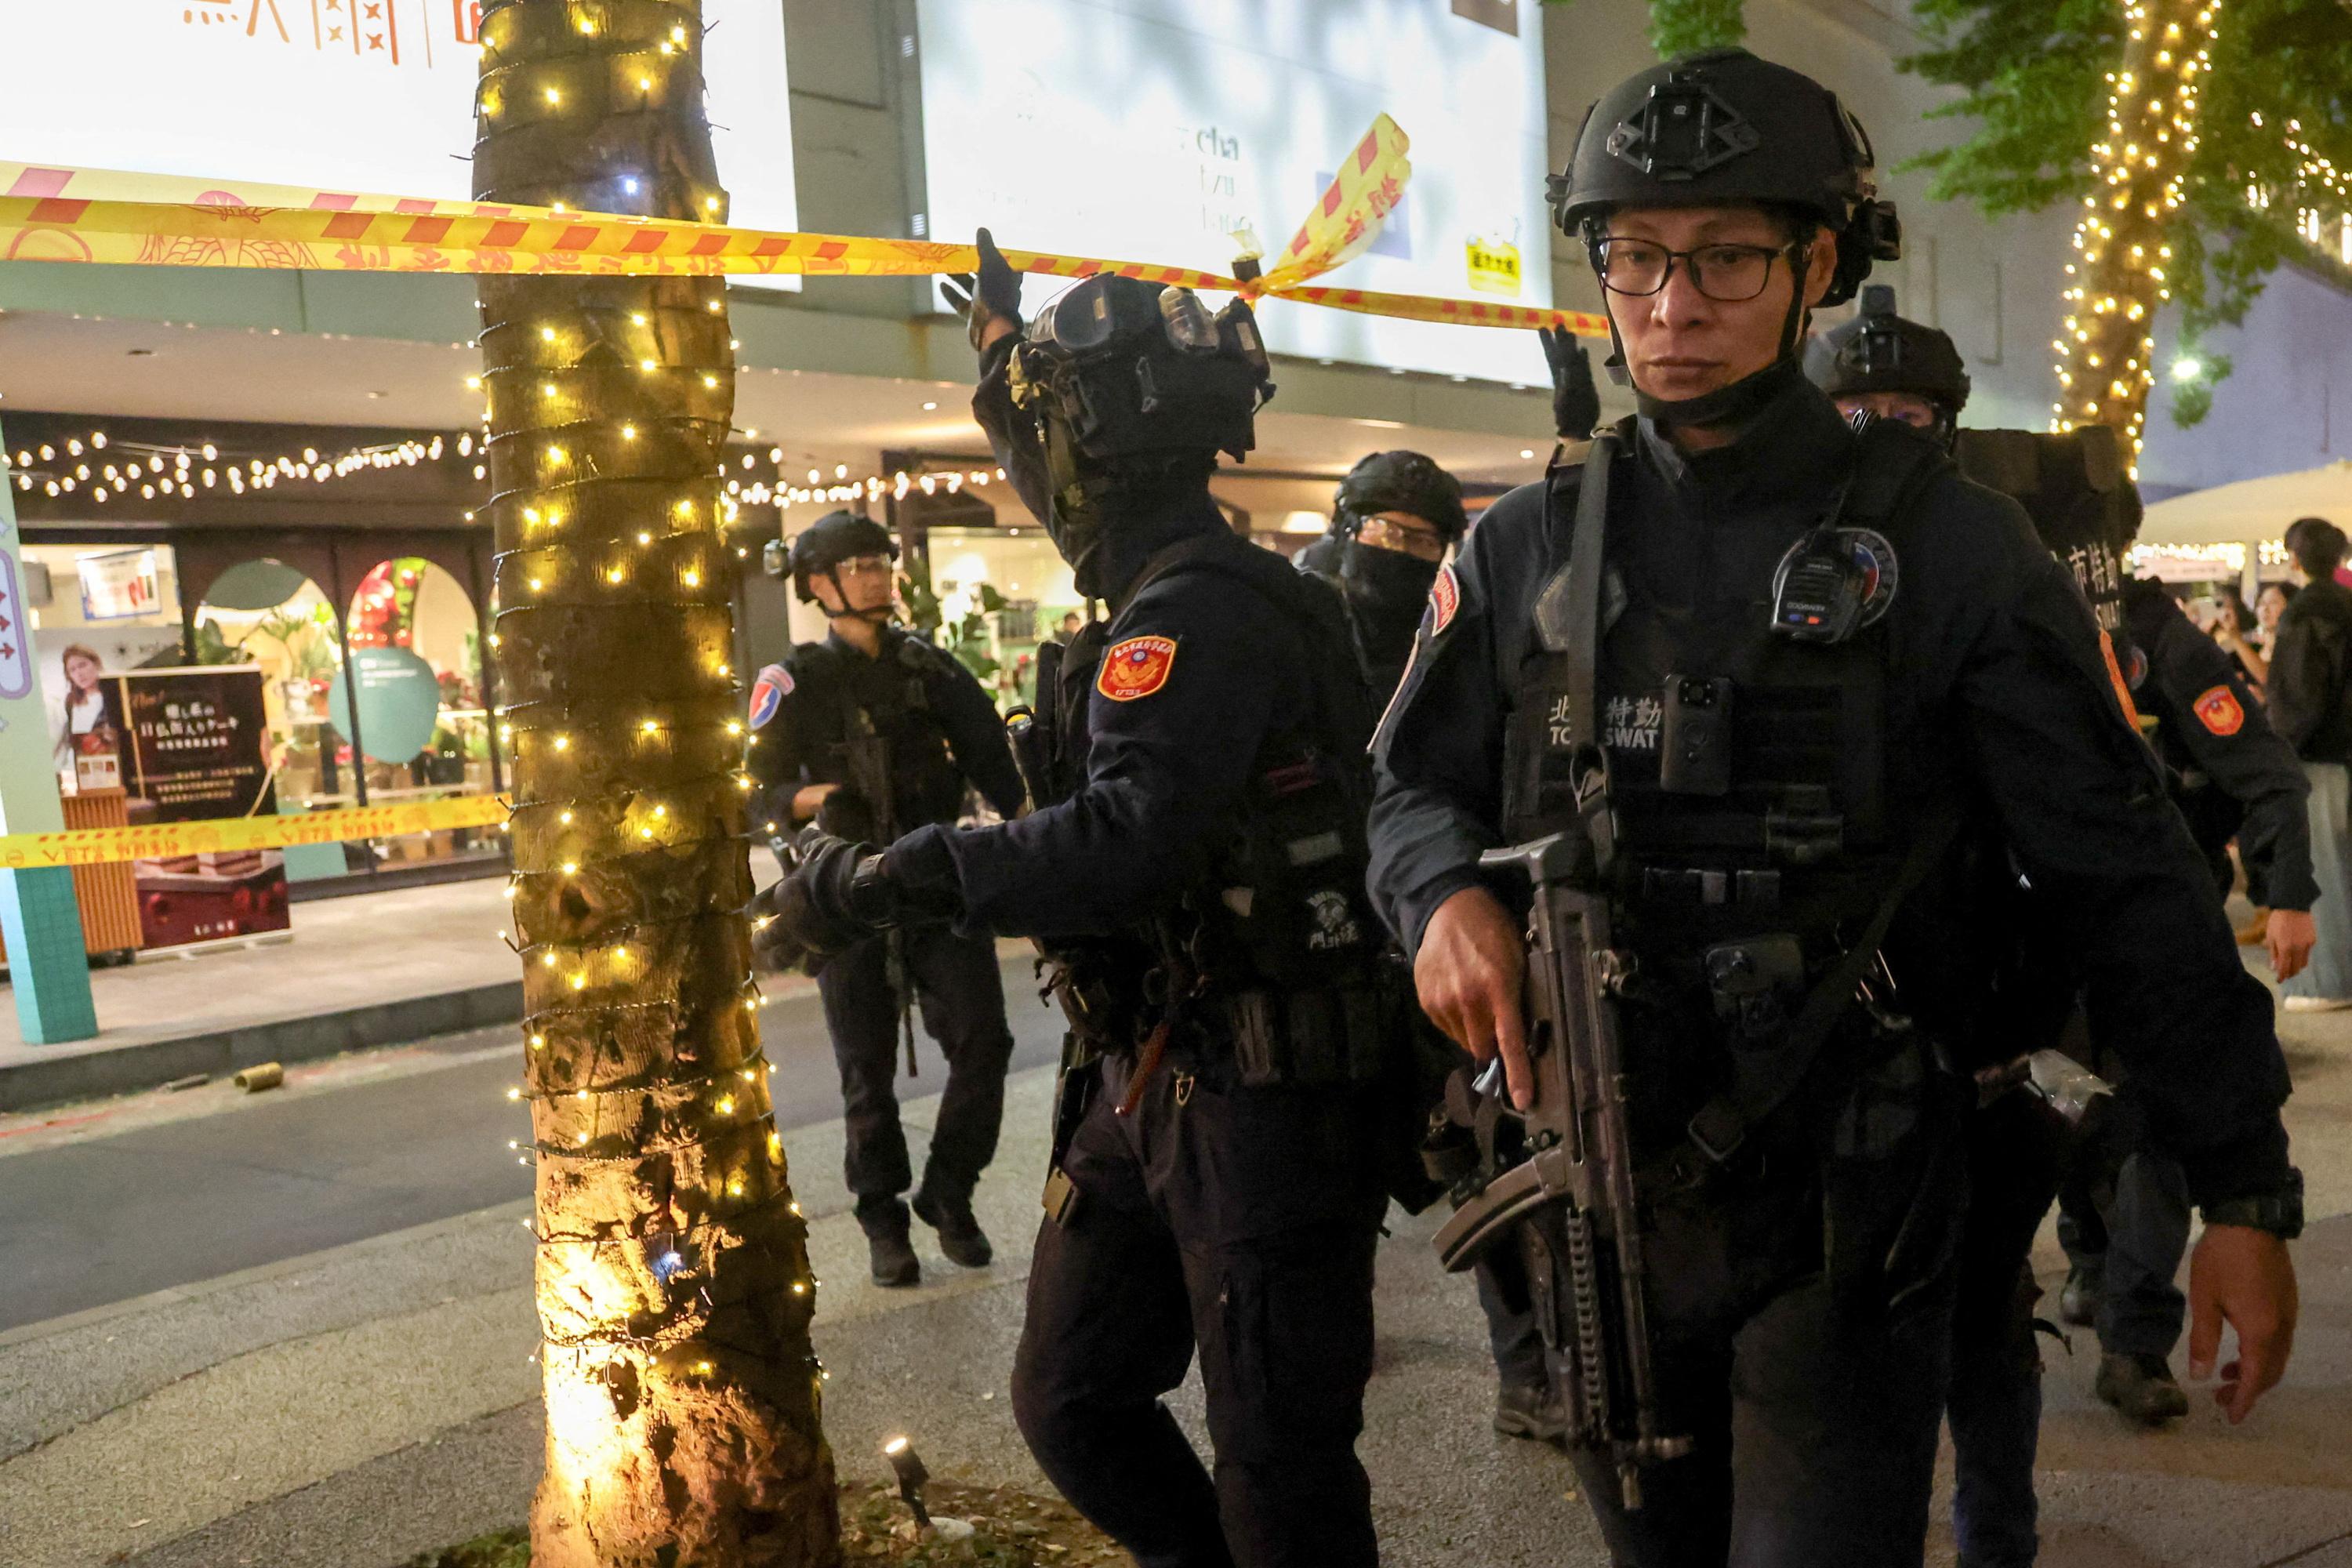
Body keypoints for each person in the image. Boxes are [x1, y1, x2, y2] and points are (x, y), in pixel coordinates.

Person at [1371, 47, 2302, 1566]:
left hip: (1852, 1198)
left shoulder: (1953, 549)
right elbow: (1408, 784)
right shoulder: (1523, 544)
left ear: (1818, 264)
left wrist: (2242, 1186)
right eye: (1633, 257)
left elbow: (2125, 873)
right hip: (1603, 1182)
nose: (1672, 306)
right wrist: (1440, 897)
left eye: (1725, 259)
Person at [764, 234, 1396, 1567]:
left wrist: (891, 877)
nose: (1032, 474)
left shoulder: (1198, 616)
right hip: (1147, 1079)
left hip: (1263, 1096)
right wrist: (1006, 359)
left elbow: (1126, 841)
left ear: (1099, 456)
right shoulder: (1165, 585)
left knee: (1280, 1470)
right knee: (1072, 1398)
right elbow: (1071, 476)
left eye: (1046, 439)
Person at [747, 510, 1026, 1287]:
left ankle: (950, 1191)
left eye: (881, 563)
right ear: (818, 583)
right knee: (863, 1070)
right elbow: (756, 791)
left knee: (985, 1040)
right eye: (858, 566)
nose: (876, 577)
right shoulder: (792, 681)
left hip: (935, 880)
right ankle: (882, 1217)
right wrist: (815, 799)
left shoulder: (931, 669)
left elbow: (996, 764)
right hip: (841, 891)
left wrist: (1040, 838)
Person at [1294, 452, 1471, 700]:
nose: (1400, 549)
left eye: (1423, 541)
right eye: (1384, 530)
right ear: (1349, 530)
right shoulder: (1300, 622)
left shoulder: (1450, 642)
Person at [2267, 516, 2352, 1011]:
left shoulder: (2304, 613)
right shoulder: (2347, 604)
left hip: (2318, 757)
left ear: (2295, 559)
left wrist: (2279, 751)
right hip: (2346, 754)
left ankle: (2326, 982)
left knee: (2321, 868)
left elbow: (2297, 699)